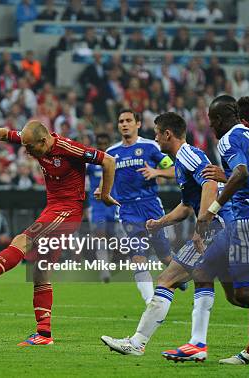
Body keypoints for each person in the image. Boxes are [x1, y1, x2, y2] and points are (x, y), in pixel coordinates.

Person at [0, 120, 118, 346]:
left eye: (30, 148)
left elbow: (109, 160)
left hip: (67, 210)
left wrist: (105, 195)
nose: (27, 152)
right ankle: (44, 334)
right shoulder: (33, 140)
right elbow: (9, 135)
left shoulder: (68, 148)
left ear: (44, 141)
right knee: (41, 272)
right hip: (53, 207)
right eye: (25, 147)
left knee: (23, 240)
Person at [100, 112, 233, 361]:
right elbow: (186, 206)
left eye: (158, 133)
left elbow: (211, 185)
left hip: (217, 227)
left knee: (167, 278)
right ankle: (197, 345)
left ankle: (138, 342)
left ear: (167, 134)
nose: (156, 138)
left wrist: (202, 225)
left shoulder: (188, 155)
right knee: (226, 290)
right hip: (223, 226)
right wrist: (160, 222)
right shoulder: (181, 160)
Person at [202, 96, 249, 365]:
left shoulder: (231, 139)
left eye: (212, 123)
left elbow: (242, 171)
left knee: (246, 292)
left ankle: (199, 343)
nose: (212, 128)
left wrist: (213, 207)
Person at [102, 109, 176, 305]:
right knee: (137, 254)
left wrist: (156, 171)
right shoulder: (111, 153)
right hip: (127, 210)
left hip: (151, 206)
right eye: (121, 121)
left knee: (165, 256)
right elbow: (106, 179)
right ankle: (151, 303)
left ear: (138, 124)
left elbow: (175, 169)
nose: (124, 124)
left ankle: (180, 275)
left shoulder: (151, 147)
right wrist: (102, 189)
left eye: (128, 120)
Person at [86, 133, 116, 283]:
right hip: (97, 205)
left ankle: (109, 263)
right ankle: (104, 270)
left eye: (105, 143)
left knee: (114, 237)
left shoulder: (115, 159)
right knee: (100, 234)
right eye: (100, 144)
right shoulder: (91, 162)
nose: (103, 146)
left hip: (112, 203)